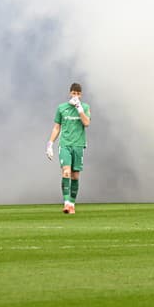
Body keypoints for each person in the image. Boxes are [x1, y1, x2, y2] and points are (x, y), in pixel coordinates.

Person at [46, 83, 91, 214]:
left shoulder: (85, 107)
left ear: (81, 95)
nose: (75, 96)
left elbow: (87, 123)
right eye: (73, 93)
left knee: (75, 176)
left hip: (78, 145)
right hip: (65, 144)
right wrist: (50, 144)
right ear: (70, 93)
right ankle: (66, 203)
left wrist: (79, 109)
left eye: (78, 94)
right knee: (66, 171)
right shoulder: (61, 108)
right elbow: (56, 127)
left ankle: (72, 203)